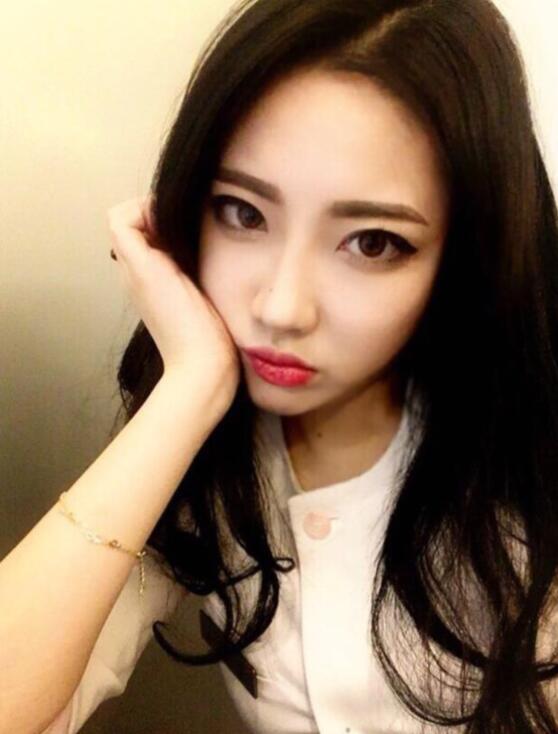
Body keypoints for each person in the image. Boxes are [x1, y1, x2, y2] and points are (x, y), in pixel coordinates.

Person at [2, 0, 558, 732]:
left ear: (463, 253)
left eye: (373, 242)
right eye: (244, 213)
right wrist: (191, 389)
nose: (283, 307)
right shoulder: (210, 460)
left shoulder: (527, 481)